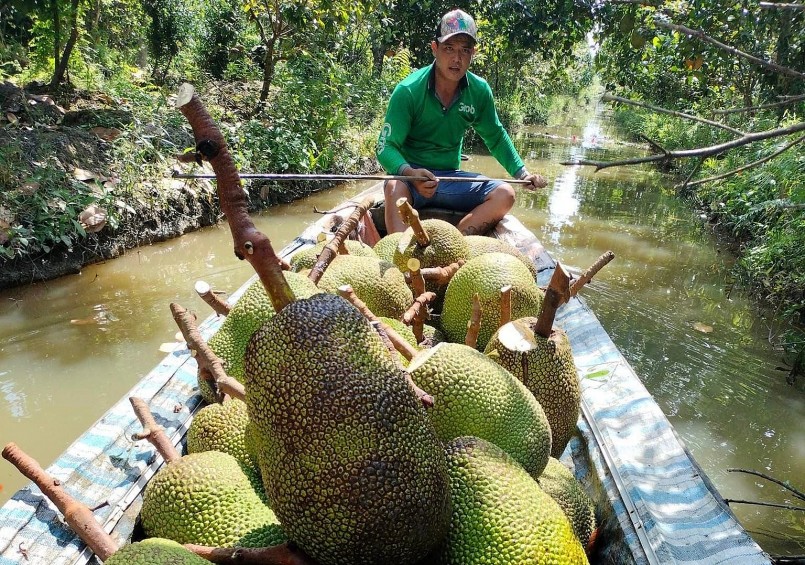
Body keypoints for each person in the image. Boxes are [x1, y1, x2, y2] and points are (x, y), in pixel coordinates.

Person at [376, 8, 547, 235]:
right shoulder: (408, 91)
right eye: (449, 48)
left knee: (505, 195)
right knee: (393, 186)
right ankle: (399, 254)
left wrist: (523, 174)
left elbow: (495, 137)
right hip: (410, 181)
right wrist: (409, 172)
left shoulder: (479, 91)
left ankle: (456, 243)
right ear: (434, 49)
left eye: (465, 50)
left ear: (473, 53)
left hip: (450, 180)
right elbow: (384, 147)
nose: (457, 59)